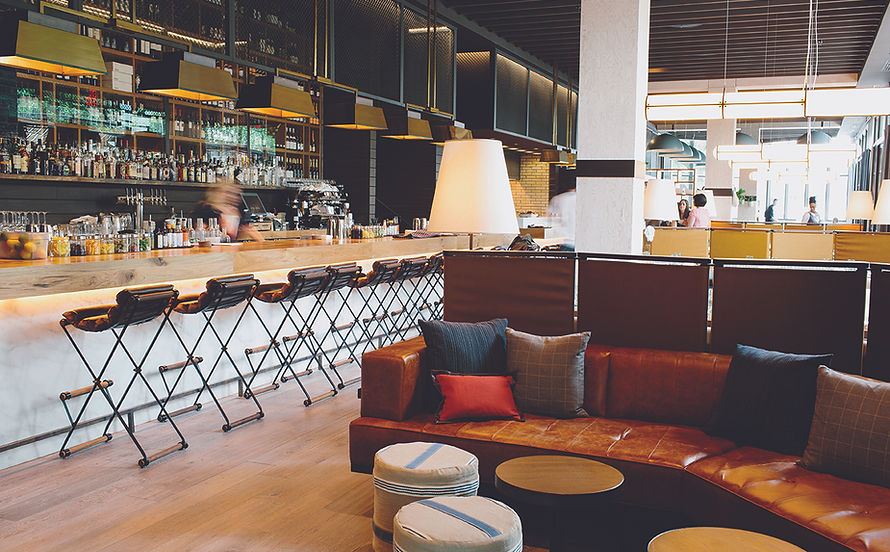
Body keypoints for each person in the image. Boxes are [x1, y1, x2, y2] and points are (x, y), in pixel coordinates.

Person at [192, 174, 264, 242]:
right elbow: (200, 233)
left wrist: (262, 243)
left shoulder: (237, 211)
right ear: (217, 192)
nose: (232, 196)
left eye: (235, 194)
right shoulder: (205, 209)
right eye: (228, 192)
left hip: (232, 250)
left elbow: (250, 229)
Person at [547, 177, 576, 251]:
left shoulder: (557, 199)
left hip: (565, 241)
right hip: (580, 242)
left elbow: (549, 217)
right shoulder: (582, 198)